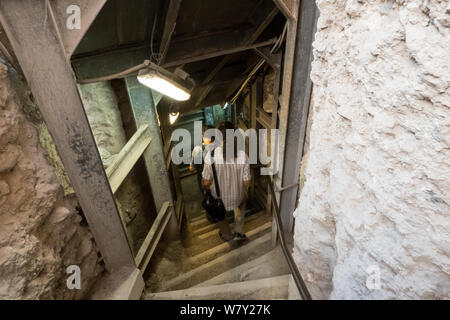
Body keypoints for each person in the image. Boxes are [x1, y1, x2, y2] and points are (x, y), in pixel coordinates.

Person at [202, 121, 251, 242]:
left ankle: (227, 235)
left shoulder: (210, 156)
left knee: (220, 216)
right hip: (237, 197)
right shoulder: (243, 156)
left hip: (219, 200)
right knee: (243, 201)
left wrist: (209, 182)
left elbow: (206, 183)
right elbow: (246, 183)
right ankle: (239, 232)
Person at [189, 125, 214, 193]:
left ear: (202, 136)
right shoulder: (221, 147)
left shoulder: (197, 149)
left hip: (206, 185)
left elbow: (191, 169)